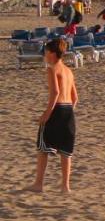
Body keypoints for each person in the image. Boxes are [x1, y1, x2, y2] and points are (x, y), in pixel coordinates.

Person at [32, 39, 77, 193]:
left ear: (51, 53)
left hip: (57, 108)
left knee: (43, 147)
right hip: (68, 110)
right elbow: (75, 97)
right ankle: (65, 186)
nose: (44, 53)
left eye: (46, 51)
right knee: (65, 150)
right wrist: (69, 112)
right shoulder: (68, 71)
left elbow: (55, 92)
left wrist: (47, 113)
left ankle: (38, 184)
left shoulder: (52, 69)